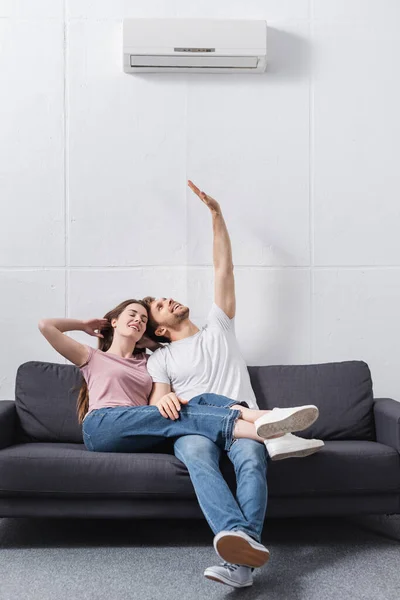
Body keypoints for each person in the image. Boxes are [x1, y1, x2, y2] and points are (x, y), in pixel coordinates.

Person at [142, 180, 325, 588]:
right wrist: (166, 400)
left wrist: (216, 215)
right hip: (196, 426)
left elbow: (223, 268)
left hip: (240, 417)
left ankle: (240, 564)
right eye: (160, 306)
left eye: (165, 298)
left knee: (251, 460)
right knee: (196, 456)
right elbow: (157, 403)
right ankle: (242, 542)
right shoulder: (162, 358)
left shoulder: (218, 327)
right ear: (159, 329)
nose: (169, 300)